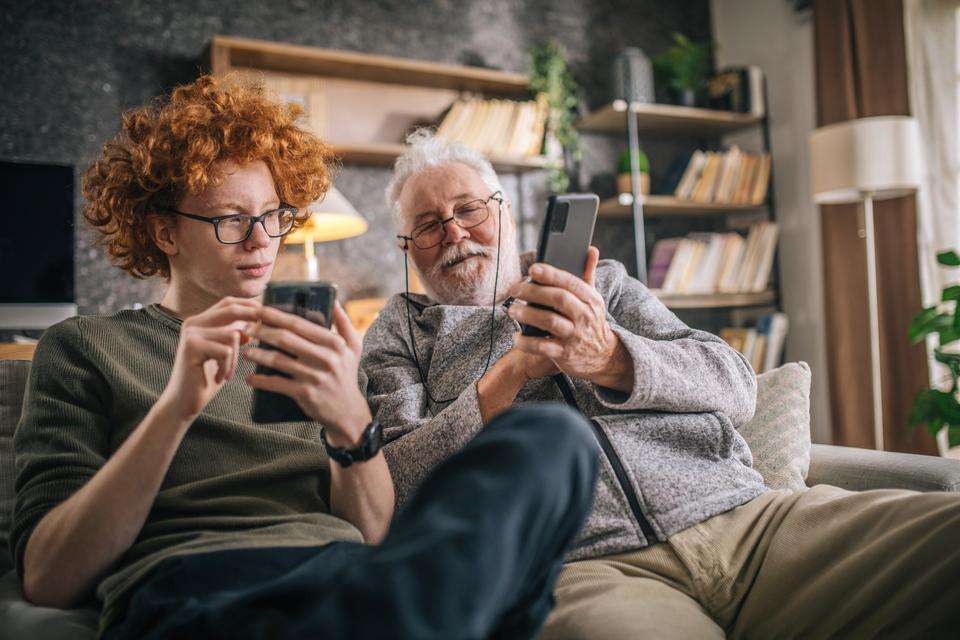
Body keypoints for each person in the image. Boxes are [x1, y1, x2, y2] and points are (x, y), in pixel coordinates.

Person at [11, 75, 599, 640]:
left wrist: (348, 417)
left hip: (345, 579)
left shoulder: (318, 343)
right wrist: (174, 410)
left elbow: (372, 530)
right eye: (231, 220)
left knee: (552, 436)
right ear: (165, 232)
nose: (262, 240)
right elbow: (49, 578)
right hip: (201, 589)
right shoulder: (84, 347)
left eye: (272, 216)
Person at [361, 128, 960, 638]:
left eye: (469, 209)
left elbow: (734, 384)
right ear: (409, 250)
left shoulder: (608, 286)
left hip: (751, 522)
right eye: (429, 226)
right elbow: (394, 481)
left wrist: (611, 356)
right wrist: (510, 375)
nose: (455, 234)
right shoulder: (401, 335)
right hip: (581, 568)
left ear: (505, 211)